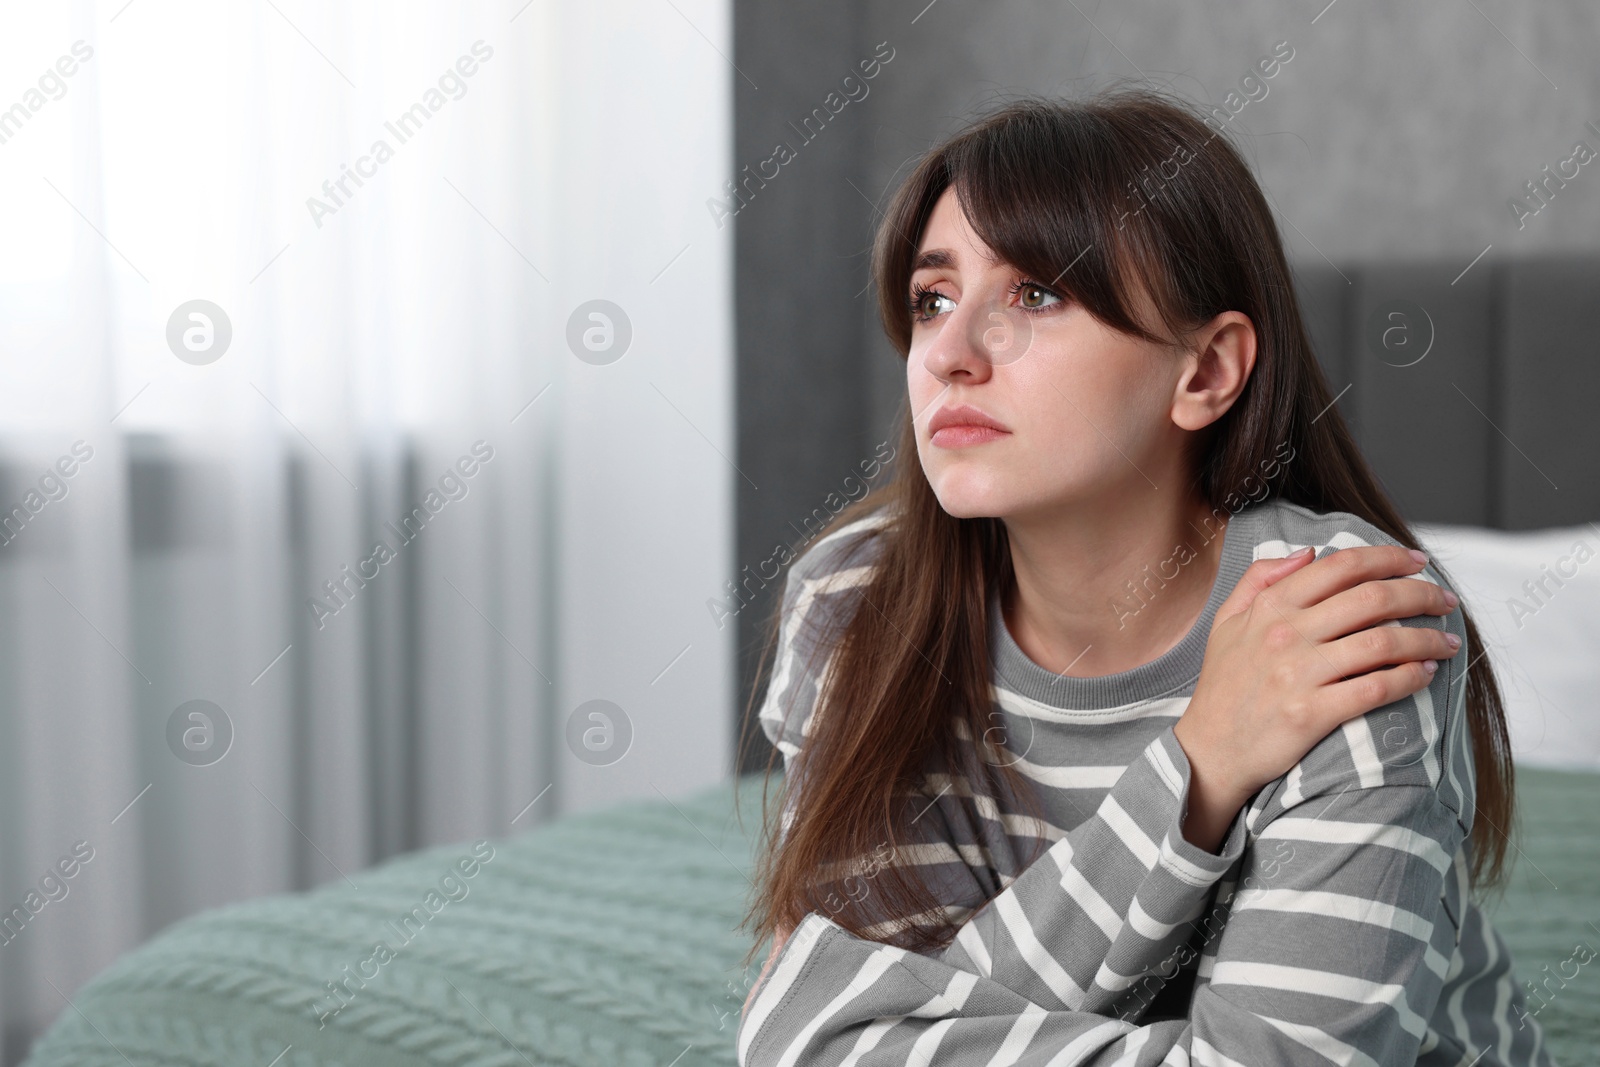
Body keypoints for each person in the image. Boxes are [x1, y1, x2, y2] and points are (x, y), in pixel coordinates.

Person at [734, 86, 1555, 1066]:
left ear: (1204, 371)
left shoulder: (1335, 615)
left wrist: (860, 1024)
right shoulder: (854, 605)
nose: (947, 353)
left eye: (1035, 293)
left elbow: (836, 1033)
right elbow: (836, 1033)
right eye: (932, 298)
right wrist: (1199, 765)